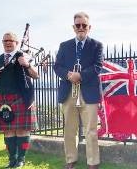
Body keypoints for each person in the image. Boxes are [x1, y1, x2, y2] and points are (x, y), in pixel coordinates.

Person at [54, 12, 103, 169]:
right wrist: (69, 75)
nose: (81, 28)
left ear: (89, 27)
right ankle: (70, 160)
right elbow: (57, 67)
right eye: (78, 25)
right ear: (73, 27)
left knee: (91, 130)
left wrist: (80, 75)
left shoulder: (97, 45)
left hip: (89, 93)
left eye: (84, 25)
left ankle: (93, 162)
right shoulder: (64, 45)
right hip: (68, 93)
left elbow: (98, 66)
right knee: (69, 129)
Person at [0, 32, 38, 168]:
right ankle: (12, 160)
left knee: (22, 130)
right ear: (2, 43)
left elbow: (36, 75)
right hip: (3, 100)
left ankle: (21, 159)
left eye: (11, 40)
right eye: (5, 41)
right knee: (8, 131)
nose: (8, 43)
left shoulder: (24, 56)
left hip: (21, 99)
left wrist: (26, 65)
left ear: (16, 43)